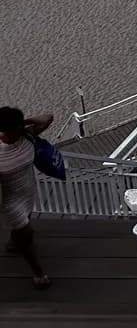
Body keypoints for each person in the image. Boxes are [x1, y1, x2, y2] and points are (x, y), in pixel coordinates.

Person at [0, 106, 54, 289]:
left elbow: (47, 117)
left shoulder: (27, 136)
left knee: (23, 227)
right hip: (9, 201)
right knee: (27, 234)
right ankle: (39, 273)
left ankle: (13, 244)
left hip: (27, 191)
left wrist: (23, 123)